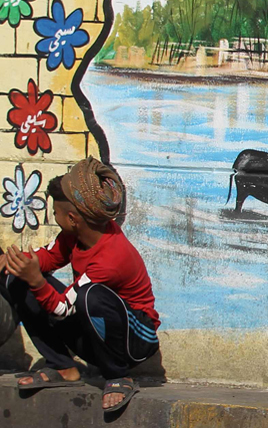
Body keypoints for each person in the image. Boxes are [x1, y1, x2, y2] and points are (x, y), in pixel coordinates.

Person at [4, 158, 159, 414]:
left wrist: (36, 280)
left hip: (134, 343)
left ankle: (118, 376)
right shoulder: (76, 235)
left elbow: (63, 309)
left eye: (55, 213)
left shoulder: (111, 258)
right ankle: (62, 366)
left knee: (90, 296)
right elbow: (48, 257)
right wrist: (17, 263)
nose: (53, 217)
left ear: (72, 218)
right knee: (17, 277)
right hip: (92, 334)